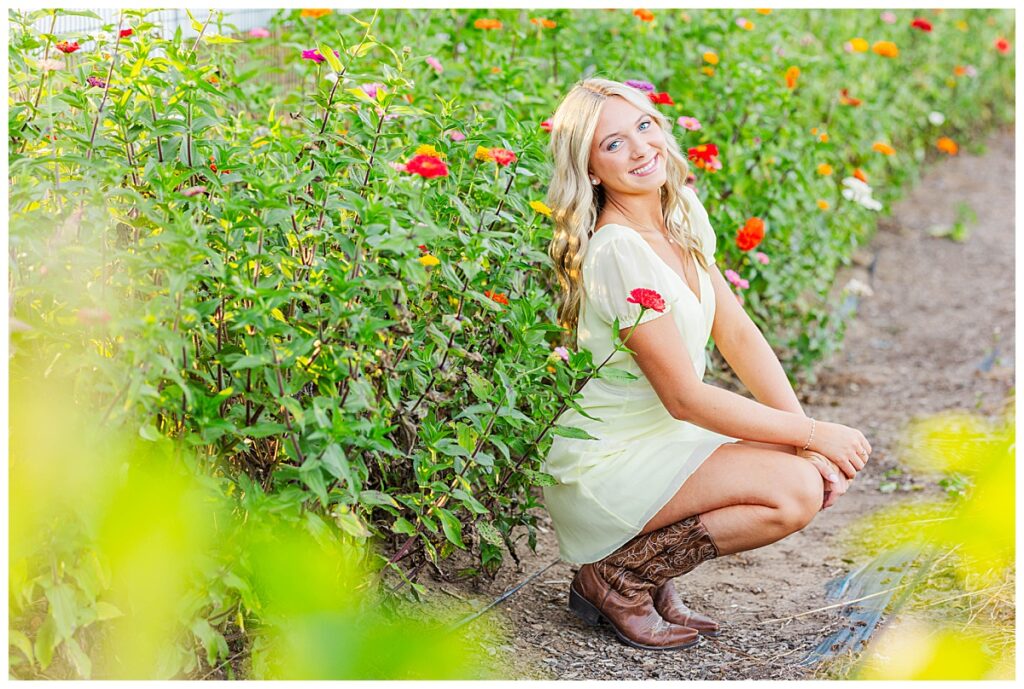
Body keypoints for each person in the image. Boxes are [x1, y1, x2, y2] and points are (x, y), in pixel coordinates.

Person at [541, 78, 873, 651]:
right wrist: (815, 434)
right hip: (608, 465)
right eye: (613, 144)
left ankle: (647, 566)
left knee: (799, 464)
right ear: (591, 170)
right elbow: (686, 399)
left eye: (645, 126)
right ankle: (619, 577)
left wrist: (808, 441)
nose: (641, 149)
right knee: (793, 490)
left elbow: (738, 334)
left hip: (665, 445)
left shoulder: (678, 210)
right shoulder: (619, 251)